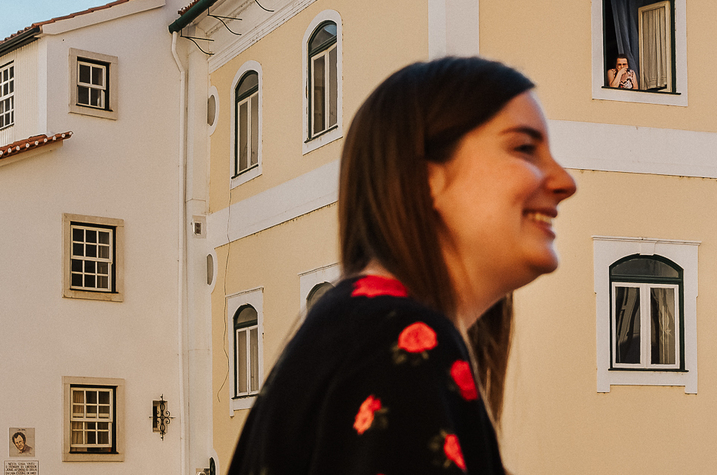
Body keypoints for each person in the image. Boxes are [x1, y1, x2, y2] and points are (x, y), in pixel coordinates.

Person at [227, 57, 576, 474]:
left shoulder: (357, 330)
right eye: (524, 148)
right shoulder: (399, 346)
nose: (565, 182)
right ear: (427, 180)